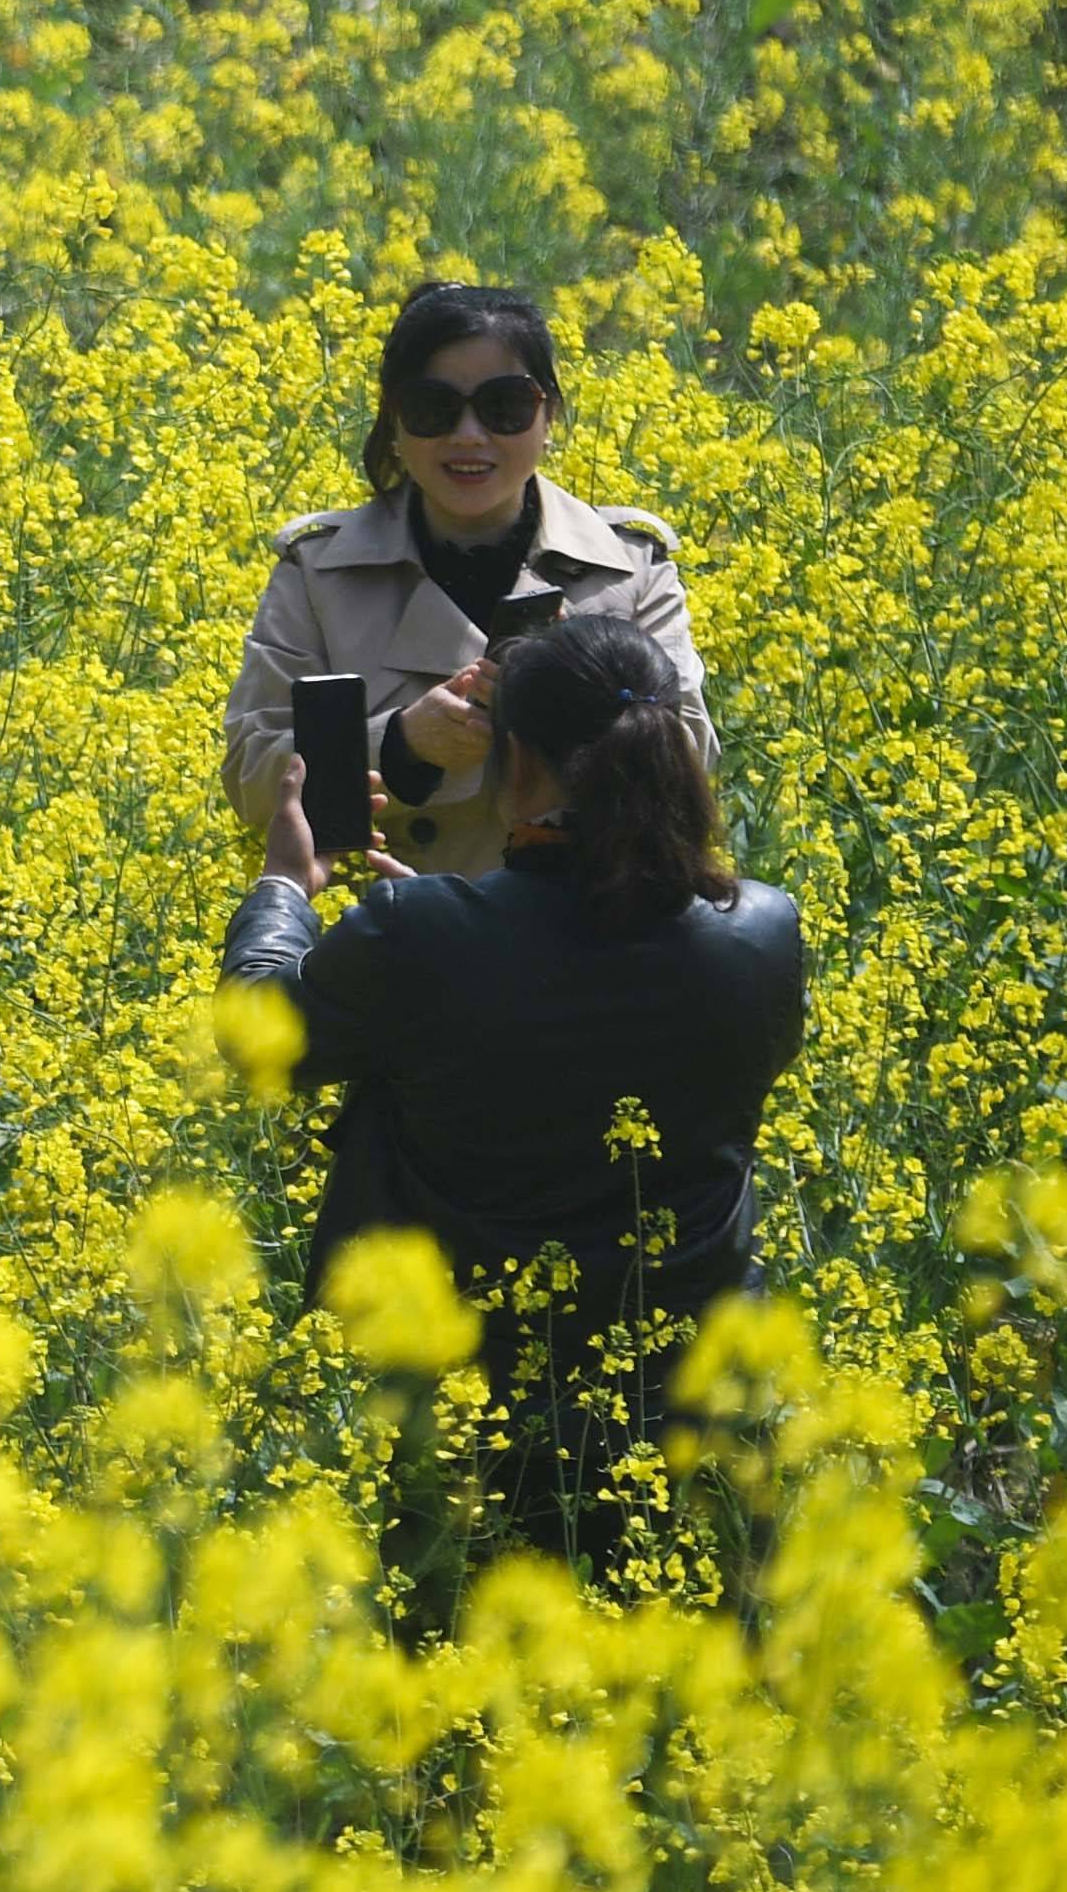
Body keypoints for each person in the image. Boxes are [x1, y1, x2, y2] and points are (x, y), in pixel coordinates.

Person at [222, 611, 811, 1605]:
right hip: (684, 1396)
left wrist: (287, 885)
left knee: (449, 1706)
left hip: (456, 1400)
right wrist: (440, 937)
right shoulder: (763, 931)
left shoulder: (423, 939)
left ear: (519, 763)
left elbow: (257, 1036)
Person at [223, 282, 709, 878]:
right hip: (393, 942)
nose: (469, 435)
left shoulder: (630, 567)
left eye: (504, 406)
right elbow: (251, 776)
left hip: (585, 943)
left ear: (547, 415)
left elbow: (690, 762)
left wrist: (573, 693)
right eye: (434, 409)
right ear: (396, 423)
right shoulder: (320, 574)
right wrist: (401, 744)